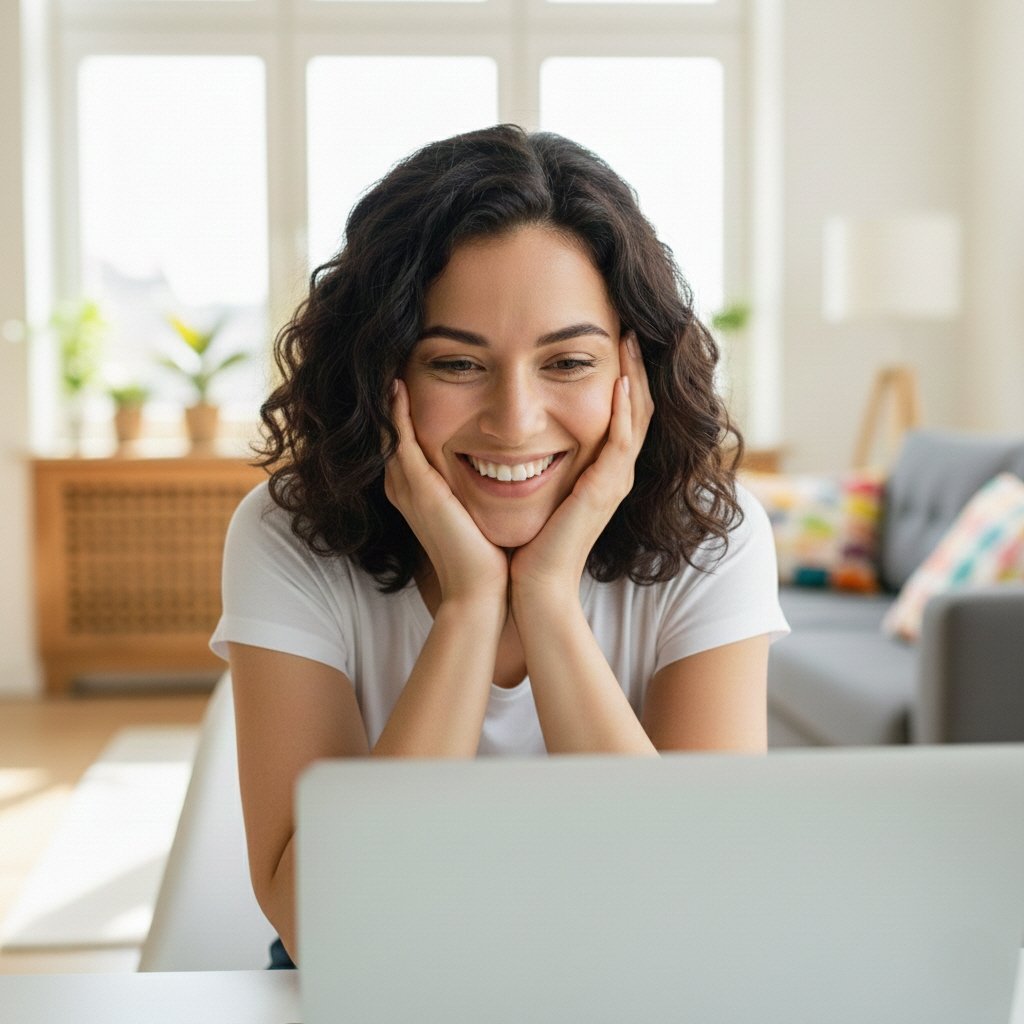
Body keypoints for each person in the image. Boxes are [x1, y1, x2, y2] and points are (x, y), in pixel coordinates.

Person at [211, 124, 789, 968]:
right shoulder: (288, 533)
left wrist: (548, 603)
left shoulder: (715, 535)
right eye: (457, 364)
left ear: (634, 372)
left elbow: (694, 907)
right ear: (384, 374)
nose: (515, 420)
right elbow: (327, 929)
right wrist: (473, 606)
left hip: (629, 974)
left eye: (567, 363)